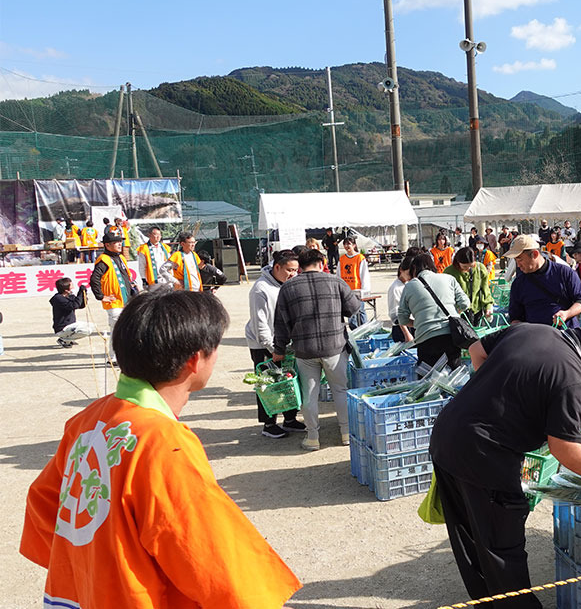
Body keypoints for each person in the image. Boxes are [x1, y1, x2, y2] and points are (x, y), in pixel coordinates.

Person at [21, 291, 302, 608]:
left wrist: (92, 563)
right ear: (195, 360)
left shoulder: (86, 420)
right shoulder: (163, 442)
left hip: (78, 594)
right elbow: (211, 554)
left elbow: (43, 501)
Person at [430, 312, 581, 608]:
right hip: (484, 456)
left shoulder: (532, 330)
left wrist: (495, 400)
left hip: (446, 438)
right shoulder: (574, 379)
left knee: (472, 538)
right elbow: (565, 448)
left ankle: (486, 602)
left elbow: (476, 349)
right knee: (503, 548)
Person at [273, 249, 358, 451]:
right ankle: (346, 433)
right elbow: (353, 308)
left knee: (309, 395)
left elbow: (280, 324)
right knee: (340, 390)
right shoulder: (336, 282)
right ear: (321, 262)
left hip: (304, 350)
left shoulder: (288, 287)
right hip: (334, 348)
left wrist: (279, 349)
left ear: (300, 266)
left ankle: (313, 438)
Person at [245, 249, 304, 438]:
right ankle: (269, 424)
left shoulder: (288, 283)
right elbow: (260, 324)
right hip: (264, 345)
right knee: (268, 384)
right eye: (289, 270)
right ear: (276, 267)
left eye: (296, 270)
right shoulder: (260, 289)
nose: (293, 274)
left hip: (284, 343)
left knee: (288, 381)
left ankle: (290, 418)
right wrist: (273, 349)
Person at [400, 252, 472, 369]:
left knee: (429, 381)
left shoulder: (409, 286)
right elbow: (465, 303)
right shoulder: (449, 278)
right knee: (453, 379)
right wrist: (454, 313)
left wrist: (418, 323)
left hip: (426, 339)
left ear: (414, 268)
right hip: (450, 335)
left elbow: (402, 318)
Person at [505, 235, 581, 328]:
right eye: (515, 260)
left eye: (520, 259)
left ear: (535, 254)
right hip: (534, 337)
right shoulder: (518, 283)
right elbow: (515, 317)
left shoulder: (564, 272)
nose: (518, 265)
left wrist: (567, 314)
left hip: (564, 334)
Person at [89, 231, 137, 338]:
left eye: (120, 241)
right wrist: (101, 296)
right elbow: (94, 279)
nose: (120, 244)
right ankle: (114, 355)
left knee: (126, 333)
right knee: (118, 334)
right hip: (114, 303)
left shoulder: (121, 258)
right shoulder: (103, 260)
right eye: (116, 242)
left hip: (126, 301)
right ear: (107, 245)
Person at [443, 246, 493, 323]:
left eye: (471, 266)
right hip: (458, 314)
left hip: (477, 312)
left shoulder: (480, 269)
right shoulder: (449, 272)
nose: (468, 269)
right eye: (465, 267)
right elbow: (446, 295)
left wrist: (488, 307)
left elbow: (485, 290)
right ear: (457, 262)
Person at [49, 278, 93, 348]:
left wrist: (83, 294)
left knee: (91, 326)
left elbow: (80, 305)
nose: (73, 287)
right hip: (62, 327)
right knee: (86, 330)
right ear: (66, 290)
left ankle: (68, 339)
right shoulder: (58, 299)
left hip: (71, 324)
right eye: (71, 286)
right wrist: (80, 293)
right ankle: (64, 339)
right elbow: (74, 305)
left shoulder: (69, 296)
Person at [339, 236, 371, 329]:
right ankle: (354, 331)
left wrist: (364, 290)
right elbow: (339, 274)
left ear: (354, 245)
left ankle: (364, 329)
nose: (347, 246)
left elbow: (364, 274)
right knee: (351, 313)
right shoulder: (342, 259)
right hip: (347, 290)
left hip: (357, 290)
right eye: (345, 244)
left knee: (360, 311)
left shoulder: (360, 258)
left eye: (349, 244)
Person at [388, 255, 415, 343]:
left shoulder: (409, 284)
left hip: (411, 325)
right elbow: (396, 314)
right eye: (408, 274)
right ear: (401, 270)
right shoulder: (395, 288)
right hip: (402, 329)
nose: (410, 276)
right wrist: (407, 334)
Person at [136, 226, 171, 291]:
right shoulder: (144, 249)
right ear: (149, 235)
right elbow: (142, 266)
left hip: (166, 278)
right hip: (153, 280)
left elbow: (170, 262)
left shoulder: (165, 247)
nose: (158, 237)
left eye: (159, 235)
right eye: (155, 234)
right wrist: (144, 279)